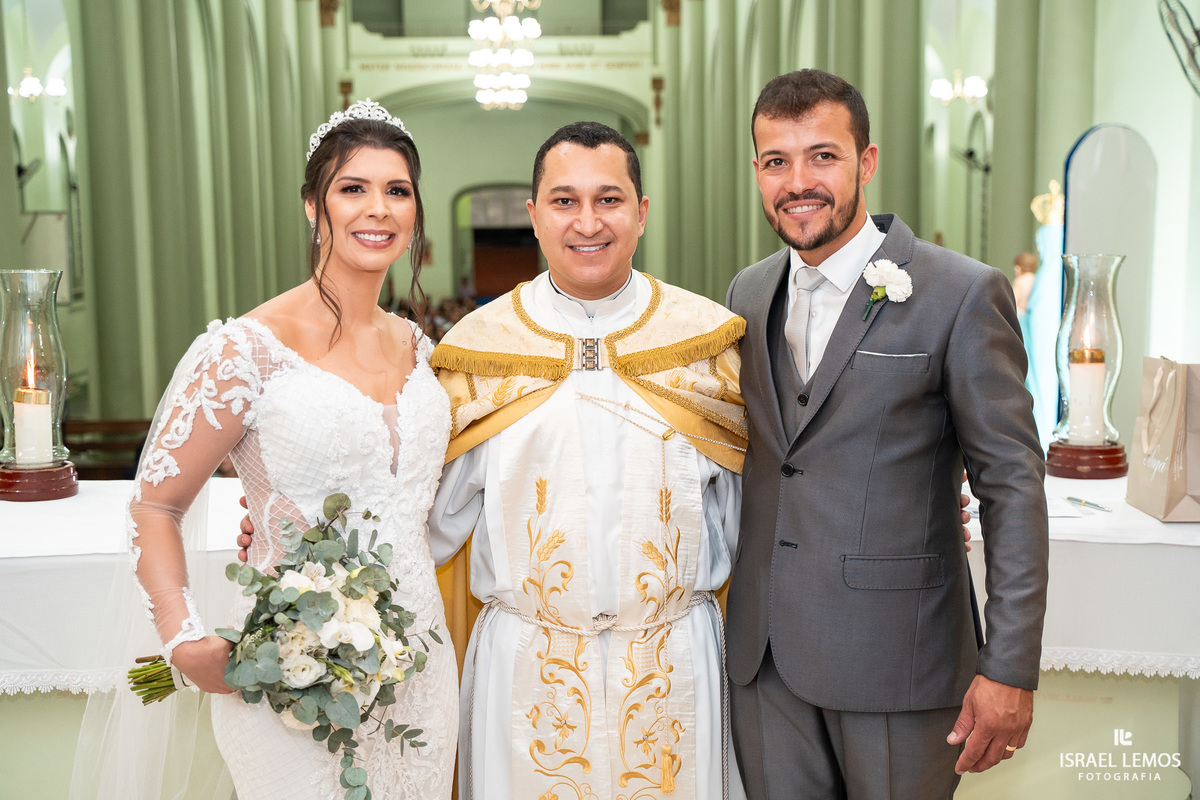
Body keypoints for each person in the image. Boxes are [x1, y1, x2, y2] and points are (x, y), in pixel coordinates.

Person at [86, 100, 458, 799]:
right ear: (314, 208)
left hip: (421, 672)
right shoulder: (245, 350)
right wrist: (184, 638)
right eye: (353, 188)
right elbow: (156, 505)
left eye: (397, 190)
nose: (377, 208)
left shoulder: (421, 351)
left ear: (414, 215)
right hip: (293, 673)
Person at [724, 69, 1049, 799]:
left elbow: (1010, 485)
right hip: (764, 661)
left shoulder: (960, 293)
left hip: (899, 659)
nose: (798, 181)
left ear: (866, 163)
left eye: (823, 157)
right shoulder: (747, 293)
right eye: (777, 161)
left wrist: (1010, 665)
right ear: (756, 172)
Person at [428, 121, 749, 800]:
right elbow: (423, 526)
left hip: (674, 667)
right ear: (534, 216)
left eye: (608, 199)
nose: (587, 222)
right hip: (528, 671)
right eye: (564, 201)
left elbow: (768, 521)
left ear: (641, 212)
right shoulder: (479, 353)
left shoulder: (705, 347)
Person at [1011, 252, 1039, 316]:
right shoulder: (1036, 279)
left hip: (1021, 317)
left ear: (1020, 266)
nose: (1015, 269)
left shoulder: (1019, 281)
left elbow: (1013, 303)